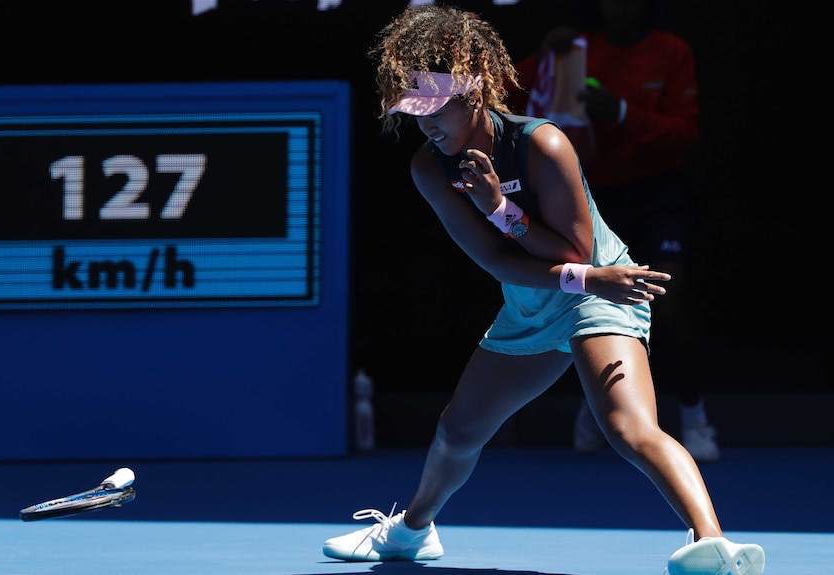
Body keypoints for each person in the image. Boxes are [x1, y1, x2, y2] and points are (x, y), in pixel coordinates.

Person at [322, 5, 765, 575]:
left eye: (434, 106)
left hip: (603, 293)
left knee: (629, 428)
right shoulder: (429, 168)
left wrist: (502, 211)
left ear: (474, 89)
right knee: (457, 431)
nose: (424, 122)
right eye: (413, 109)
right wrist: (505, 222)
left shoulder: (543, 144)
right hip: (532, 298)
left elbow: (575, 254)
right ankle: (411, 533)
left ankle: (714, 547)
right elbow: (496, 262)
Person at [512, 0, 720, 462]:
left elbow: (686, 133)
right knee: (593, 306)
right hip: (598, 199)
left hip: (659, 195)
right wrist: (544, 56)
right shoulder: (578, 50)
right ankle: (603, 409)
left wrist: (622, 112)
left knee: (665, 306)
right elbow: (513, 100)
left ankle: (693, 416)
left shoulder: (671, 51)